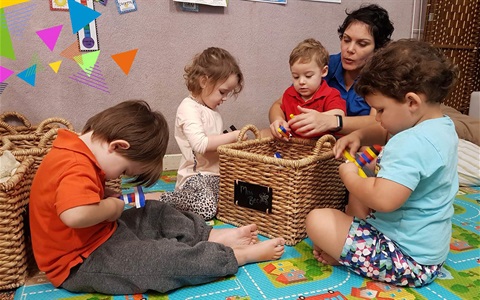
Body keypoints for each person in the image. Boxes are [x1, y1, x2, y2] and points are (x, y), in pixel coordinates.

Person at [29, 100, 286, 295]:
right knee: (160, 258)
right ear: (117, 146)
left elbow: (69, 198)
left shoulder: (75, 149)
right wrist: (109, 207)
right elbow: (74, 214)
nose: (117, 176)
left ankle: (208, 235)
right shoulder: (75, 164)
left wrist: (103, 198)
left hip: (102, 232)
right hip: (79, 262)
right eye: (124, 171)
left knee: (154, 211)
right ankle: (235, 256)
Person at [305, 39, 459, 287]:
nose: (376, 117)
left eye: (381, 110)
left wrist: (350, 176)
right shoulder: (441, 126)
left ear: (412, 101)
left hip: (405, 258)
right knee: (364, 183)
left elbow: (384, 200)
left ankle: (348, 255)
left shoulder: (410, 142)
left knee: (317, 220)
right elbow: (386, 132)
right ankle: (348, 247)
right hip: (430, 254)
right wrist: (359, 135)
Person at [269, 4, 394, 138]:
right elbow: (279, 104)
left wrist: (333, 121)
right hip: (314, 145)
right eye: (346, 40)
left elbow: (379, 125)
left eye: (362, 44)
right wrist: (278, 121)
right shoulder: (324, 64)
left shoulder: (381, 76)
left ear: (378, 48)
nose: (350, 49)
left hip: (357, 144)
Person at [158, 47, 244, 220]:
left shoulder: (214, 111)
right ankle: (162, 199)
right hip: (194, 177)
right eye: (222, 92)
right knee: (207, 208)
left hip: (215, 176)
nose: (225, 98)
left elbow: (216, 146)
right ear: (204, 81)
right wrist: (234, 136)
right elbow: (201, 144)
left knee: (242, 198)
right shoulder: (188, 108)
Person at [269, 38, 346, 139]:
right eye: (296, 76)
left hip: (322, 146)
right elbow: (277, 107)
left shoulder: (330, 94)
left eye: (308, 76)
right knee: (263, 134)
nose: (301, 82)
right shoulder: (290, 93)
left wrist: (320, 117)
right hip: (293, 145)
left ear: (323, 71)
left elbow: (339, 114)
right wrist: (278, 120)